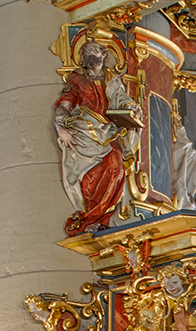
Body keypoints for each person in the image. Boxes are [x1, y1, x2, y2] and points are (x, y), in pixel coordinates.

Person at [54, 38, 142, 235]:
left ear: (104, 55)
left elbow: (122, 98)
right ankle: (90, 216)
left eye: (94, 51)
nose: (90, 55)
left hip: (109, 130)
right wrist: (60, 127)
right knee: (89, 175)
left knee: (116, 166)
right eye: (86, 53)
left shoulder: (112, 78)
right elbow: (64, 105)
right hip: (85, 128)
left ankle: (102, 217)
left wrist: (132, 108)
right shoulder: (77, 80)